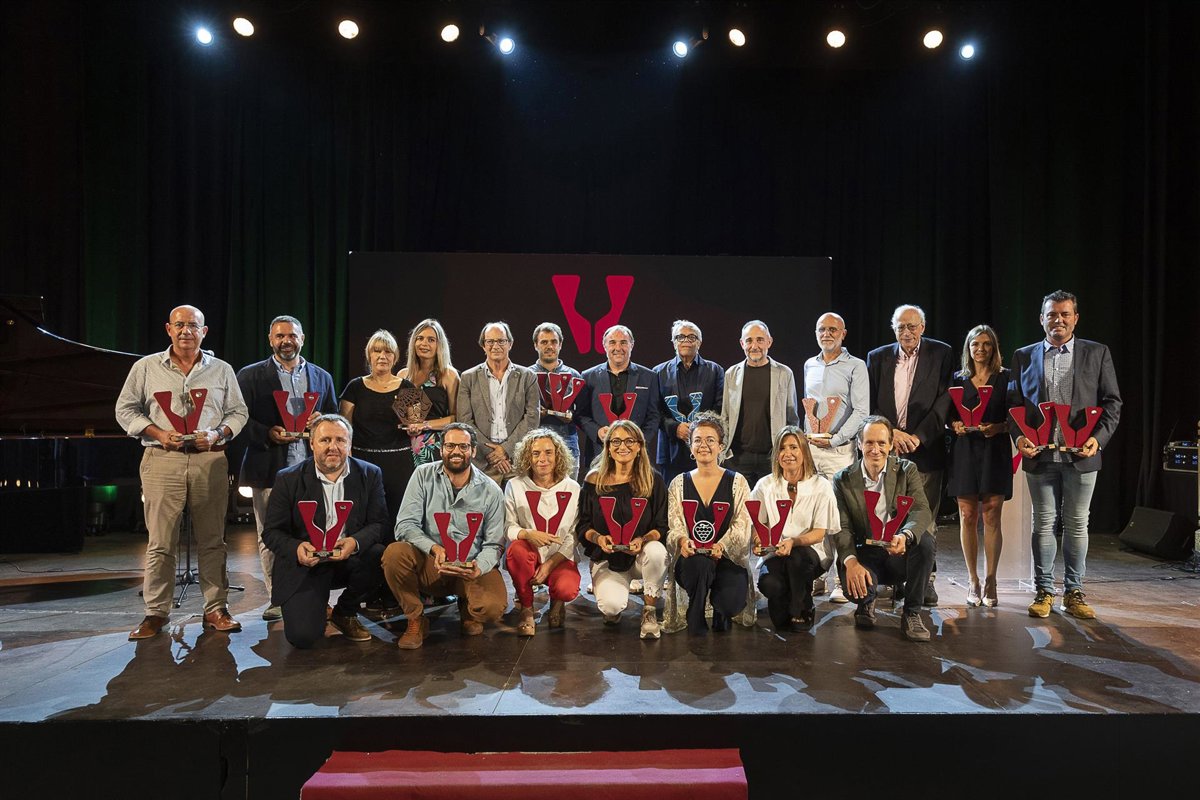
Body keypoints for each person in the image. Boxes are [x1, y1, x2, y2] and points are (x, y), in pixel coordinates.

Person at [116, 304, 249, 640]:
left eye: (193, 325)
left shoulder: (222, 370)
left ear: (204, 331)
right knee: (160, 542)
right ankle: (155, 613)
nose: (186, 331)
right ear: (168, 329)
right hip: (162, 459)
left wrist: (217, 434)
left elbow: (238, 412)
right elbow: (125, 409)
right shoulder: (146, 367)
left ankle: (216, 609)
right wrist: (158, 433)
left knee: (213, 540)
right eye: (179, 325)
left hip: (210, 461)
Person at [1010, 290, 1121, 620]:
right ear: (1041, 319)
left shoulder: (1097, 353)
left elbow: (1112, 403)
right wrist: (1019, 438)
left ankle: (1074, 592)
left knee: (1076, 524)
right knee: (1043, 523)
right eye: (1052, 315)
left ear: (1075, 318)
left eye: (1064, 314)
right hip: (1040, 456)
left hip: (1081, 456)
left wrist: (1098, 440)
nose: (1058, 320)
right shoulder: (1023, 356)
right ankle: (1044, 591)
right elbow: (1013, 405)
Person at [236, 315, 338, 622]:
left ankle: (316, 598)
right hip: (269, 468)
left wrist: (322, 420)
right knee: (271, 536)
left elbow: (335, 419)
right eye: (279, 336)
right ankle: (277, 599)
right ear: (270, 340)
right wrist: (267, 433)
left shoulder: (322, 377)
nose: (286, 341)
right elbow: (237, 419)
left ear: (302, 339)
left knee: (317, 535)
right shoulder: (250, 376)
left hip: (313, 471)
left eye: (292, 335)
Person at [260, 415, 388, 648]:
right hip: (306, 564)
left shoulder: (370, 474)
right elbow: (271, 532)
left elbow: (379, 523)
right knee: (303, 637)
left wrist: (354, 542)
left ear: (349, 444)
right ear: (312, 443)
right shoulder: (288, 478)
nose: (333, 447)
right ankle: (315, 608)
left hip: (349, 559)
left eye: (340, 440)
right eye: (325, 440)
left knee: (381, 554)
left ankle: (345, 612)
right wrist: (297, 548)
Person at [383, 423, 508, 649]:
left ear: (473, 451)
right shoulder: (422, 475)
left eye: (463, 446)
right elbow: (405, 525)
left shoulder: (491, 490)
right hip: (432, 564)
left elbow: (494, 544)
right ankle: (415, 618)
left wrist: (478, 567)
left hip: (470, 566)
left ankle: (468, 607)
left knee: (492, 608)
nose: (456, 451)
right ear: (441, 449)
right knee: (394, 554)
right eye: (450, 446)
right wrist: (433, 548)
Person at [865, 304, 954, 606]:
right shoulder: (877, 357)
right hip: (887, 450)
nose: (907, 332)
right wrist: (891, 433)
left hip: (925, 449)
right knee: (888, 515)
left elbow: (944, 401)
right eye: (901, 327)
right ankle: (892, 577)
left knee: (924, 518)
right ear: (894, 329)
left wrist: (918, 437)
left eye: (912, 326)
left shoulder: (941, 354)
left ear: (922, 328)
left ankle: (924, 580)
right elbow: (870, 403)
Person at [831, 416, 935, 641]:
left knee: (925, 542)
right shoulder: (842, 479)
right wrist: (851, 563)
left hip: (897, 553)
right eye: (869, 442)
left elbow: (921, 510)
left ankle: (912, 613)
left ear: (890, 445)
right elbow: (842, 527)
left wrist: (905, 536)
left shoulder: (907, 470)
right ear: (860, 444)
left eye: (881, 443)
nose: (875, 449)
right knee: (858, 592)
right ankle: (867, 601)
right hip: (865, 555)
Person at [577, 419, 669, 639]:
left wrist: (643, 540)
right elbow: (583, 525)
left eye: (629, 441)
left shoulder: (653, 480)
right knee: (611, 608)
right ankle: (610, 592)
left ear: (639, 447)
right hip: (608, 558)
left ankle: (649, 611)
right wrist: (598, 538)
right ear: (608, 447)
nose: (622, 446)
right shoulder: (594, 479)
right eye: (616, 441)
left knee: (657, 551)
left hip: (640, 557)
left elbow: (661, 526)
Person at [662, 412, 752, 635]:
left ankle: (722, 610)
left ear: (721, 446)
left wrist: (722, 545)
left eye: (710, 440)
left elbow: (742, 525)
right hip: (693, 560)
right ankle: (696, 611)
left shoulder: (738, 482)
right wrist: (682, 541)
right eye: (697, 440)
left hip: (727, 558)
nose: (704, 445)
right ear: (690, 447)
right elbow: (674, 525)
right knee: (700, 566)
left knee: (730, 603)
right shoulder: (678, 484)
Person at [803, 312, 869, 604]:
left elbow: (862, 411)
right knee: (813, 512)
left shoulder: (856, 366)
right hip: (812, 451)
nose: (826, 334)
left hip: (840, 451)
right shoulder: (809, 364)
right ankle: (818, 573)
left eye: (832, 329)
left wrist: (836, 439)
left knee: (840, 515)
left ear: (843, 334)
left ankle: (842, 580)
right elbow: (808, 409)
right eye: (822, 329)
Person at [749, 426, 840, 631]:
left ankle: (802, 607)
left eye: (793, 447)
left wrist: (793, 541)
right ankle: (784, 604)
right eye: (782, 448)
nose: (787, 453)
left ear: (804, 451)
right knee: (769, 583)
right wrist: (758, 541)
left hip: (810, 553)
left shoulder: (821, 486)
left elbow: (819, 533)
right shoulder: (765, 485)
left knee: (797, 559)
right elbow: (757, 523)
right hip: (775, 552)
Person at [947, 324, 1012, 608]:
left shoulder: (1006, 377)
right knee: (967, 515)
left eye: (986, 344)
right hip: (965, 452)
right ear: (968, 348)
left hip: (995, 451)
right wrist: (954, 425)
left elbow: (1016, 415)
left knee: (992, 516)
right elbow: (947, 415)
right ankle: (972, 579)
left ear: (994, 348)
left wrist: (998, 427)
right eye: (975, 344)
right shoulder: (957, 379)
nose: (981, 349)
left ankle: (991, 579)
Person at [503, 428, 582, 636]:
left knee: (567, 588)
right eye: (535, 453)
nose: (542, 459)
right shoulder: (514, 485)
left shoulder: (572, 488)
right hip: (527, 555)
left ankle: (557, 601)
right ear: (527, 457)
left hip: (559, 557)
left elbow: (573, 534)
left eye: (548, 452)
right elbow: (508, 526)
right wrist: (528, 534)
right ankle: (527, 608)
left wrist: (549, 564)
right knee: (516, 551)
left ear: (558, 455)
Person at [339, 330, 412, 524]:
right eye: (377, 351)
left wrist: (414, 427)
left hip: (399, 463)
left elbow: (416, 424)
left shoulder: (407, 387)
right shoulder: (354, 387)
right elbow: (344, 428)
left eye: (388, 351)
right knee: (364, 514)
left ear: (395, 357)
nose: (382, 356)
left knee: (397, 514)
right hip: (363, 461)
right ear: (369, 355)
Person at [457, 321, 540, 483]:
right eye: (490, 341)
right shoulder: (468, 378)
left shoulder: (527, 376)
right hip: (482, 462)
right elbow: (464, 420)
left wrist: (506, 450)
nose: (496, 346)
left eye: (501, 341)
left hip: (516, 461)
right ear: (483, 346)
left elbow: (532, 417)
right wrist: (492, 453)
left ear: (510, 344)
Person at [721, 320, 799, 488]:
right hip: (738, 458)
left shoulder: (785, 373)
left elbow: (792, 418)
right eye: (749, 340)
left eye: (760, 340)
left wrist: (788, 451)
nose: (754, 346)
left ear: (769, 342)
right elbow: (725, 416)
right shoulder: (731, 374)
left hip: (773, 456)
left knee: (772, 503)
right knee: (741, 504)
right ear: (742, 343)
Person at [577, 325, 662, 468]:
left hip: (636, 455)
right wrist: (597, 431)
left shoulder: (649, 377)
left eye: (623, 342)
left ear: (631, 345)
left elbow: (654, 416)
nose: (618, 347)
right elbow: (580, 415)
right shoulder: (588, 377)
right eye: (612, 342)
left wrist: (639, 442)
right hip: (599, 453)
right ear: (604, 345)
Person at [653, 320, 724, 486]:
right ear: (673, 342)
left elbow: (719, 407)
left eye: (692, 337)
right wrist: (675, 428)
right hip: (670, 450)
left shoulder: (715, 371)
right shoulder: (658, 373)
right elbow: (654, 411)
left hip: (705, 449)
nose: (686, 341)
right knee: (672, 497)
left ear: (699, 342)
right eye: (680, 337)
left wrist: (698, 429)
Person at [395, 318, 460, 470]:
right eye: (420, 338)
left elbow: (456, 417)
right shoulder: (403, 375)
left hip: (434, 448)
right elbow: (401, 416)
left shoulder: (448, 375)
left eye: (431, 340)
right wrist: (408, 425)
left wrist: (424, 425)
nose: (424, 343)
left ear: (439, 345)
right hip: (403, 446)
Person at [528, 322, 584, 468]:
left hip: (568, 443)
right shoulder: (526, 376)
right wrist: (533, 414)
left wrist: (572, 416)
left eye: (554, 342)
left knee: (568, 484)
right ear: (535, 345)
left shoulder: (574, 376)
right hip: (534, 444)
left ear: (560, 344)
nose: (549, 346)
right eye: (544, 342)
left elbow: (583, 414)